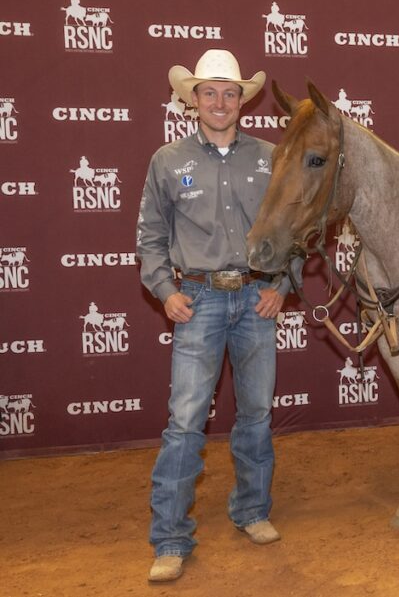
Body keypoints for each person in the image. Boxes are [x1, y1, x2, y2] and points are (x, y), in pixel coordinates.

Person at [137, 49, 291, 582]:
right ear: (193, 99)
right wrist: (164, 290)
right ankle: (171, 538)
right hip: (197, 300)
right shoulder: (167, 160)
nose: (220, 102)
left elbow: (290, 228)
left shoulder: (272, 157)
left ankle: (252, 510)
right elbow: (151, 237)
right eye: (210, 92)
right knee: (184, 421)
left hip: (254, 301)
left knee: (255, 414)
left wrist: (280, 283)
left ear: (242, 101)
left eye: (230, 93)